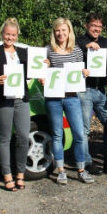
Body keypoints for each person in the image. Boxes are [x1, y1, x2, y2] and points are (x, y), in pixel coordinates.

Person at [43, 17, 94, 184]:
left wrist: (85, 73)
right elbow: (42, 71)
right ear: (54, 32)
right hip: (54, 99)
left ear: (69, 31)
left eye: (64, 30)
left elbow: (80, 75)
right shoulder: (48, 50)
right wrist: (42, 75)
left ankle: (81, 169)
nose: (60, 33)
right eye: (58, 30)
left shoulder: (77, 51)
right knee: (57, 135)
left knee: (79, 134)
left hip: (72, 98)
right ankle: (61, 170)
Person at [0, 18, 36, 191]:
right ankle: (7, 175)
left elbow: (34, 70)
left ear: (17, 36)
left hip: (21, 99)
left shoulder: (24, 52)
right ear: (2, 34)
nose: (9, 37)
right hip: (3, 99)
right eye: (7, 34)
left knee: (23, 137)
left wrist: (44, 64)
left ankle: (20, 173)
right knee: (4, 138)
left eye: (13, 35)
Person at [76, 13, 107, 174]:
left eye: (100, 27)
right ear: (87, 26)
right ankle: (87, 162)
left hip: (101, 90)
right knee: (85, 128)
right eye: (94, 26)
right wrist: (87, 46)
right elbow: (73, 52)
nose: (97, 29)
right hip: (84, 90)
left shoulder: (105, 42)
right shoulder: (79, 41)